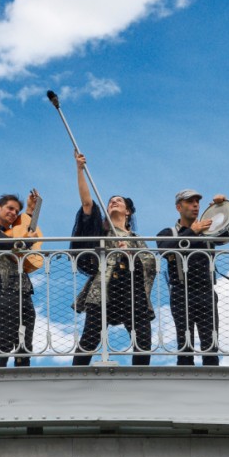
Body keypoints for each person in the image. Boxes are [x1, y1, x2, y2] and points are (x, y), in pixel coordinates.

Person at [70, 151, 156, 366]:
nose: (113, 203)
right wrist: (80, 170)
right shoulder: (101, 234)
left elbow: (150, 263)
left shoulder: (136, 239)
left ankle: (140, 378)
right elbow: (87, 205)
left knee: (143, 339)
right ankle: (76, 374)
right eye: (110, 202)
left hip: (132, 291)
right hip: (105, 288)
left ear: (127, 212)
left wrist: (131, 254)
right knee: (90, 336)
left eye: (118, 201)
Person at [156, 189, 228, 366]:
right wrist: (192, 231)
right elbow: (165, 249)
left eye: (197, 202)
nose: (195, 205)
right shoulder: (168, 232)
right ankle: (184, 384)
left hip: (206, 291)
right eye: (190, 202)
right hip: (181, 292)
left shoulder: (210, 231)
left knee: (210, 347)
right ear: (179, 207)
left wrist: (222, 208)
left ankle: (213, 385)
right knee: (184, 346)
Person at [0, 192, 39, 368]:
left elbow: (23, 230)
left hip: (24, 293)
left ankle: (23, 380)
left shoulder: (10, 232)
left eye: (16, 210)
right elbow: (12, 242)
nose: (13, 213)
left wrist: (29, 210)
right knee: (6, 340)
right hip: (6, 292)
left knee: (25, 346)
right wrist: (27, 242)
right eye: (10, 208)